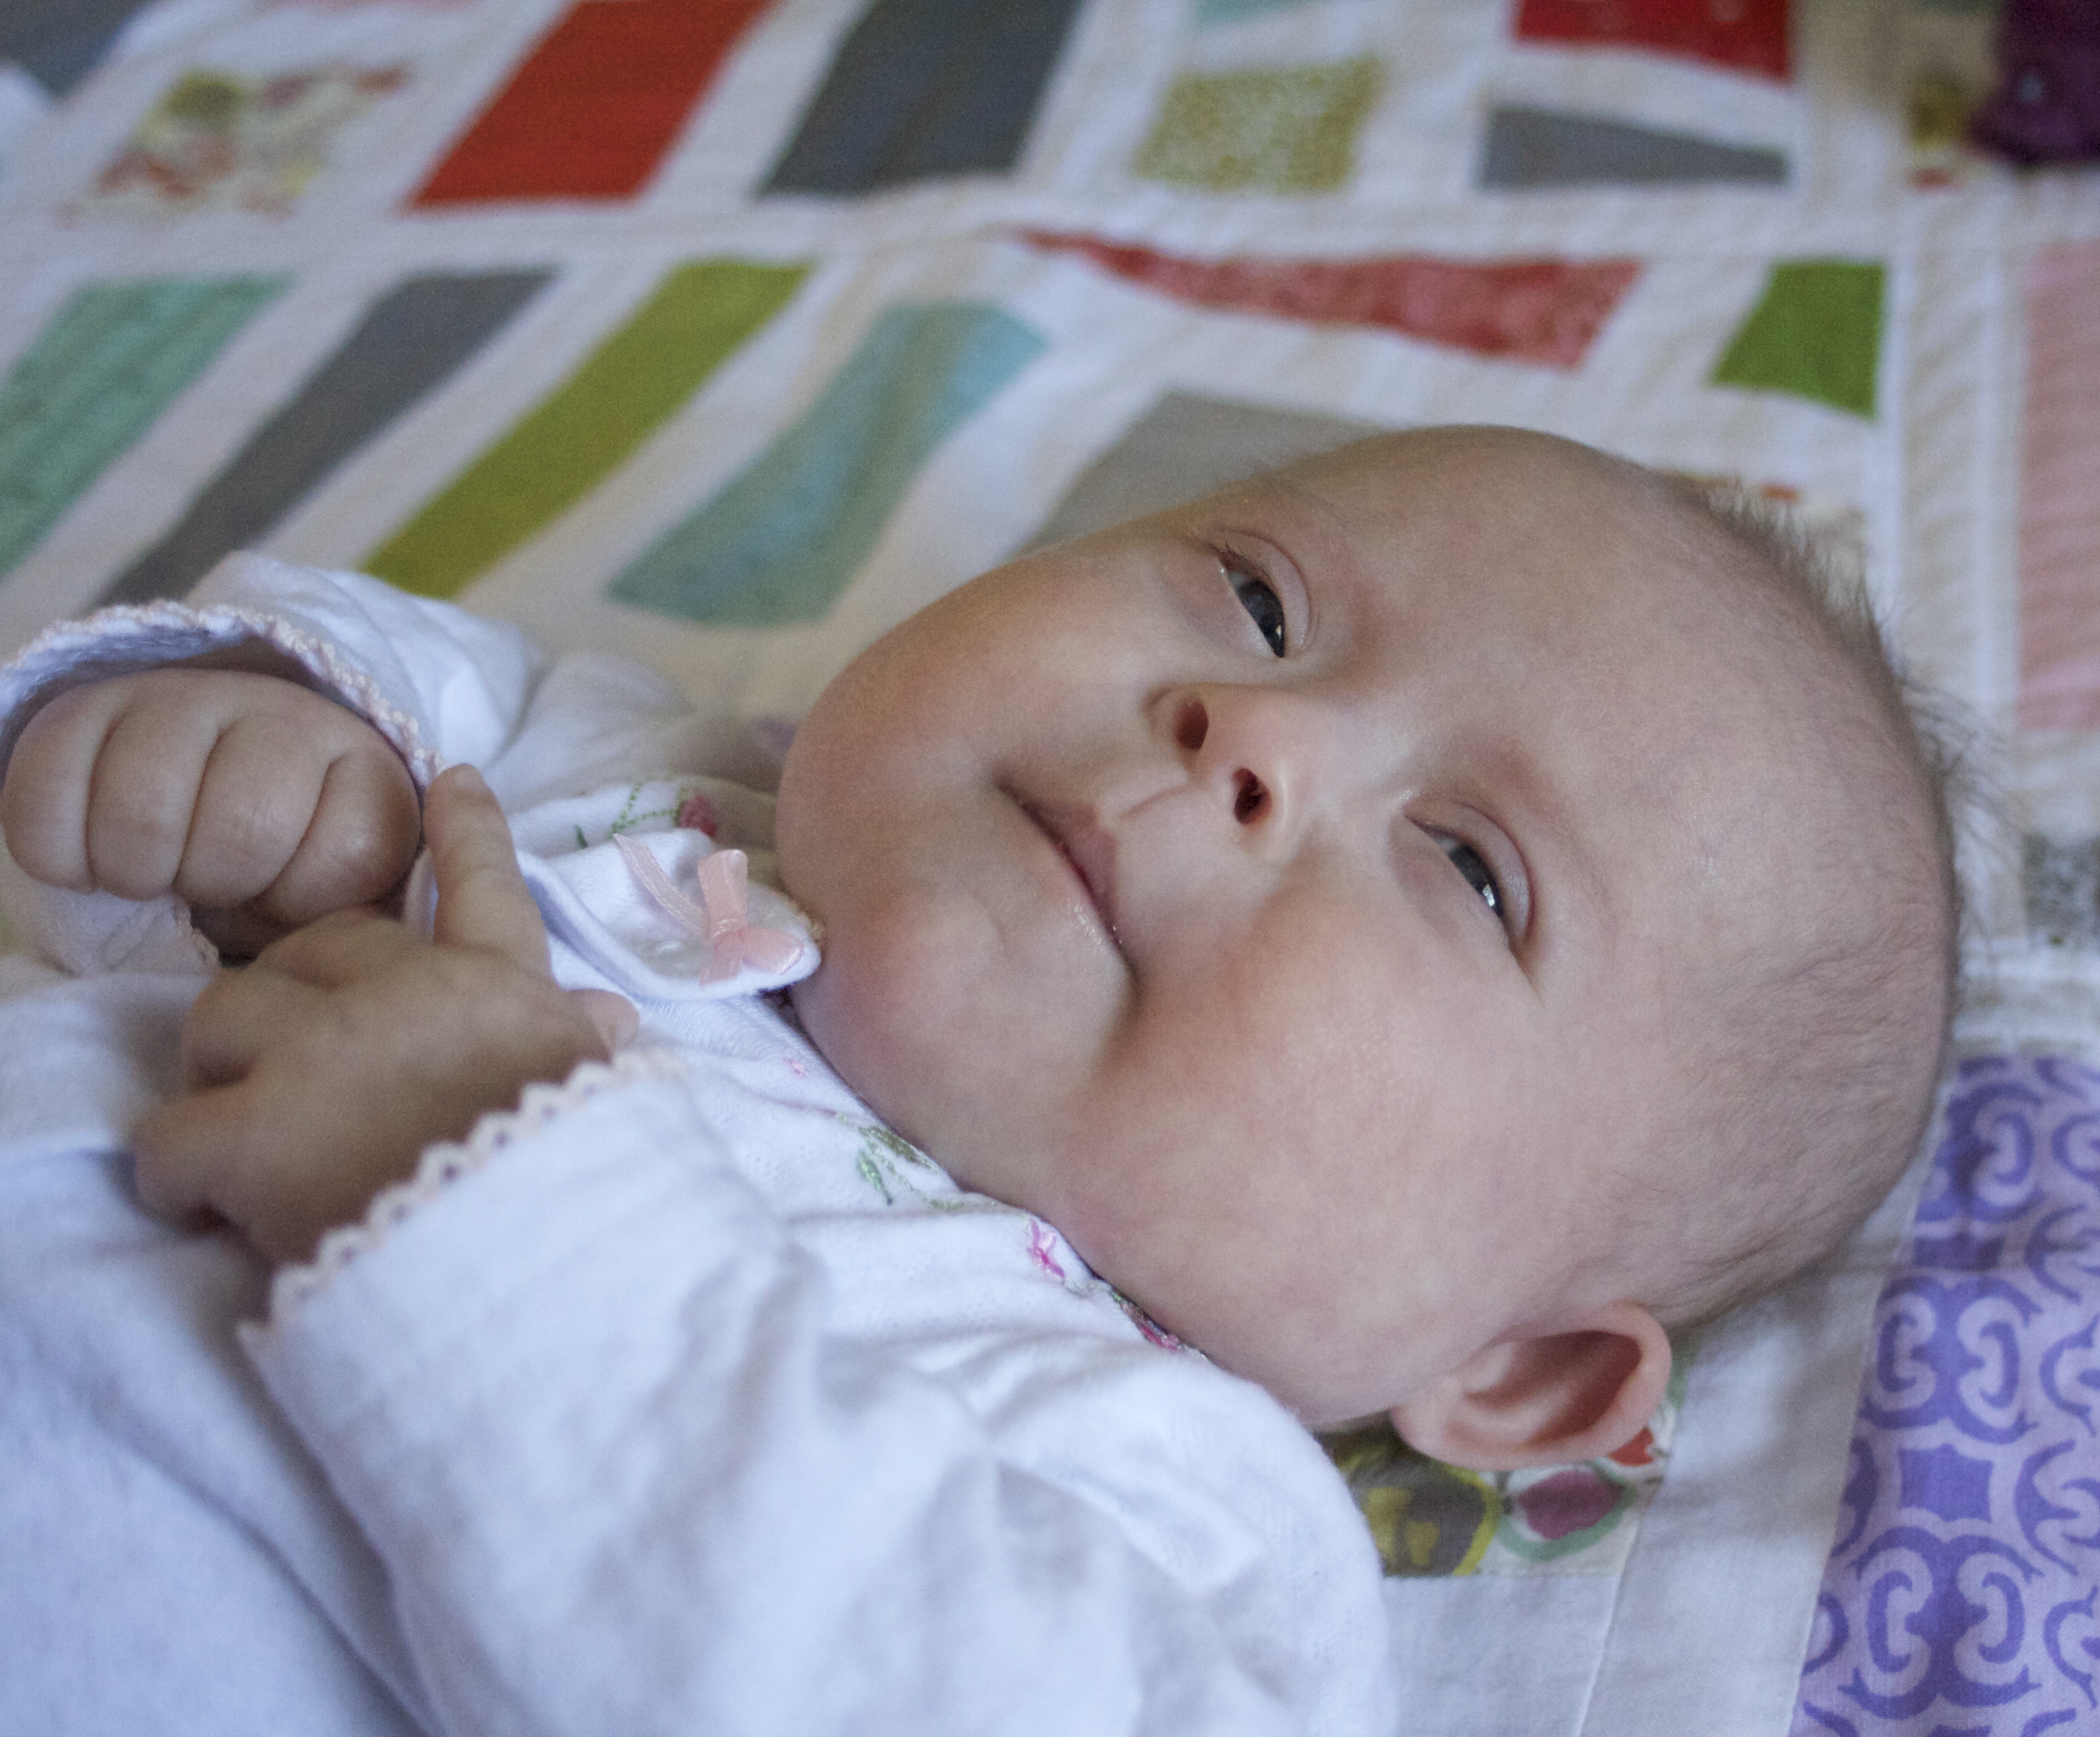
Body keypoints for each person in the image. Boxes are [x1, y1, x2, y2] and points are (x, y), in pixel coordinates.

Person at [0, 426, 1956, 1735]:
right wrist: (266, 758)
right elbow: (344, 702)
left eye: (1470, 869)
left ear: (1512, 1376)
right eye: (1262, 602)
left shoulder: (1165, 1501)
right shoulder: (652, 767)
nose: (1254, 730)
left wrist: (481, 1206)